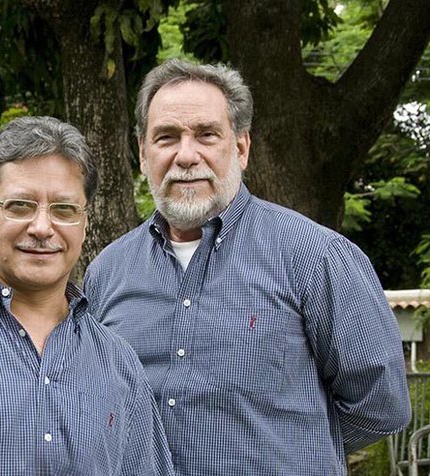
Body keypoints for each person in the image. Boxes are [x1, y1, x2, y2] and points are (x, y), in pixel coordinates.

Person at [83, 58, 411, 475]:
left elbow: (382, 405)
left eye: (206, 135)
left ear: (240, 147)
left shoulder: (316, 256)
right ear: (143, 155)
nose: (186, 156)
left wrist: (290, 446)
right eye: (166, 138)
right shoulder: (107, 273)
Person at [0, 116, 175, 475]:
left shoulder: (118, 363)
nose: (42, 228)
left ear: (85, 222)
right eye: (20, 205)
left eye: (64, 210)